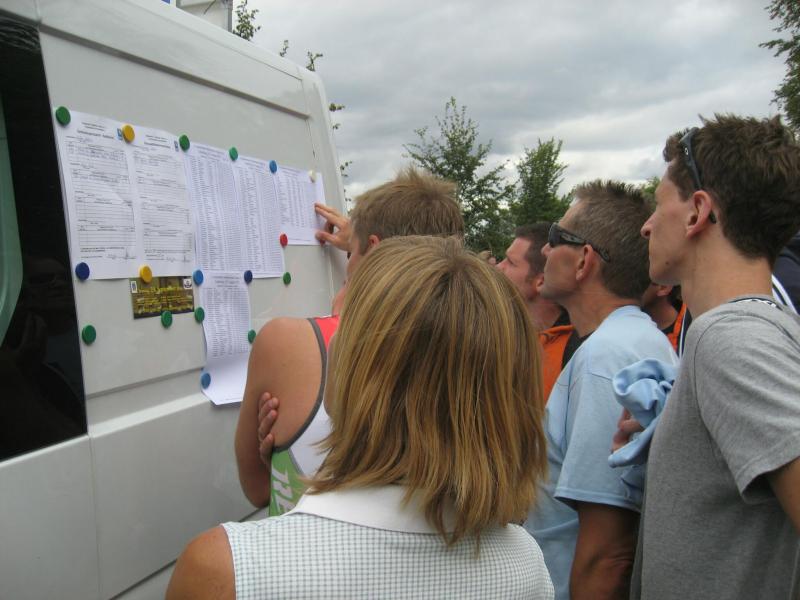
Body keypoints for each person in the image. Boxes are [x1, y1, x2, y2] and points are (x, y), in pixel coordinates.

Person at [167, 236, 554, 599]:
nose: (334, 339)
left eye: (348, 324)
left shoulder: (229, 570)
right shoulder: (525, 562)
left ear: (357, 366)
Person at [631, 115, 800, 599]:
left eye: (658, 204)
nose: (645, 226)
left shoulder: (729, 338)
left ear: (697, 212)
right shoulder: (760, 329)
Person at [234, 167, 464, 513]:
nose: (348, 263)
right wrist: (362, 244)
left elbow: (257, 490)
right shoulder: (479, 344)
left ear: (374, 248)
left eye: (350, 253)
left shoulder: (286, 341)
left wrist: (283, 463)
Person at [523, 181, 677, 600]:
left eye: (556, 237)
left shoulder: (606, 359)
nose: (545, 250)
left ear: (583, 261)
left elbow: (608, 556)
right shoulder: (635, 339)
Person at [497, 223, 573, 400]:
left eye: (510, 262)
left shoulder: (568, 355)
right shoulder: (504, 336)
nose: (499, 267)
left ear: (541, 281)